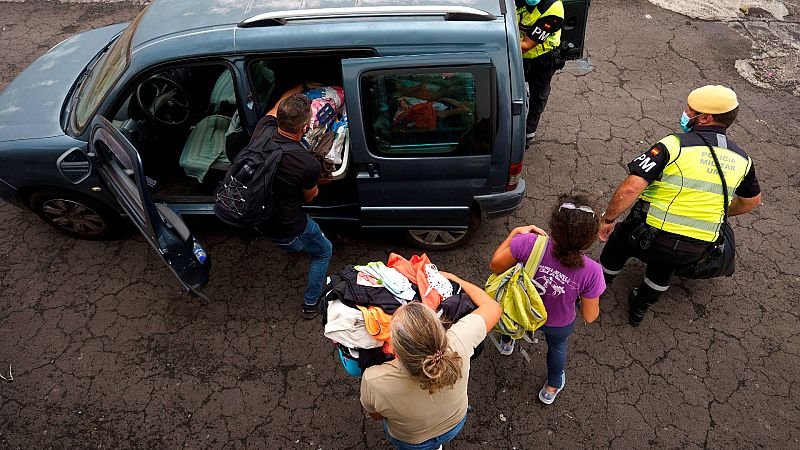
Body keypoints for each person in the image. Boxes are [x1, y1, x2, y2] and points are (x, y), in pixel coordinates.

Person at [597, 85, 762, 327]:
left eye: (690, 110)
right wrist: (719, 211)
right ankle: (639, 307)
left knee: (618, 243)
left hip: (649, 235)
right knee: (665, 266)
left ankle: (597, 288)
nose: (685, 112)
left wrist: (608, 219)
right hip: (696, 247)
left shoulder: (675, 145)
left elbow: (631, 188)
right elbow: (751, 201)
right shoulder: (743, 159)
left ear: (704, 118)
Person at [360, 273, 501, 449]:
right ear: (440, 327)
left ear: (394, 349)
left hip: (412, 440)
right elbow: (493, 307)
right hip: (454, 424)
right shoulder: (459, 340)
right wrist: (455, 279)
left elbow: (377, 416)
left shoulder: (374, 380)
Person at [489, 194, 605, 404]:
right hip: (557, 322)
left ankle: (507, 342)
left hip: (522, 308)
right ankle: (552, 387)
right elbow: (590, 316)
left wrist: (514, 232)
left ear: (554, 226)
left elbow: (495, 265)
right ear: (590, 238)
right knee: (557, 348)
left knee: (513, 317)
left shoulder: (529, 243)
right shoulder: (593, 272)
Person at [255, 85, 333, 319]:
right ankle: (310, 304)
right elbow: (310, 196)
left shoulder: (263, 129)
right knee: (323, 252)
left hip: (260, 216)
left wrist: (300, 86)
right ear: (305, 127)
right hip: (289, 226)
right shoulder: (306, 163)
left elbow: (278, 102)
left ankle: (294, 247)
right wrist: (316, 180)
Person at [516, 0, 565, 145]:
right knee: (512, 92)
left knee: (537, 96)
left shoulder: (553, 8)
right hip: (519, 57)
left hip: (542, 60)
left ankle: (527, 134)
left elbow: (525, 45)